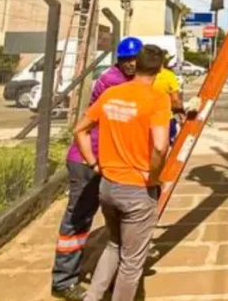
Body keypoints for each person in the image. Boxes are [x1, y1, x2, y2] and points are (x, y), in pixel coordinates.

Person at [73, 45, 171, 301]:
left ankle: (92, 297)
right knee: (132, 262)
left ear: (135, 64)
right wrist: (154, 176)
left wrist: (94, 163)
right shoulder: (158, 98)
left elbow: (80, 130)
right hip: (137, 188)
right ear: (160, 69)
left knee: (114, 244)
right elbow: (160, 146)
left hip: (108, 185)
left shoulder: (111, 94)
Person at [49, 37, 142, 300]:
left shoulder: (122, 80)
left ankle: (109, 273)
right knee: (78, 220)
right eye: (126, 60)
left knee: (109, 217)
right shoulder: (115, 82)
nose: (131, 65)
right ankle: (63, 280)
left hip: (103, 160)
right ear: (119, 61)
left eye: (135, 60)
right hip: (87, 160)